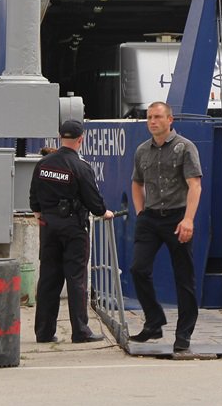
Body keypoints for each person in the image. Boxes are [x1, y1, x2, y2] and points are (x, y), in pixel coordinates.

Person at [29, 119, 114, 344]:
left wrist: (40, 215)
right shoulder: (80, 167)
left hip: (48, 227)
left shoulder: (43, 164)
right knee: (76, 279)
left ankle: (44, 333)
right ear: (81, 139)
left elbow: (33, 196)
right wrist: (104, 212)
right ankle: (80, 331)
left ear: (60, 137)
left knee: (48, 279)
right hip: (73, 228)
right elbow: (94, 202)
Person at [129, 102, 203, 356]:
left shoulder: (185, 147)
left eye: (158, 117)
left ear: (170, 119)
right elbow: (137, 183)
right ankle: (154, 321)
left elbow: (195, 186)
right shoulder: (142, 151)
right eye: (149, 117)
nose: (153, 121)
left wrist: (188, 220)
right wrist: (140, 213)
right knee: (138, 268)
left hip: (177, 217)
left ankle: (183, 335)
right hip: (150, 217)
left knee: (184, 279)